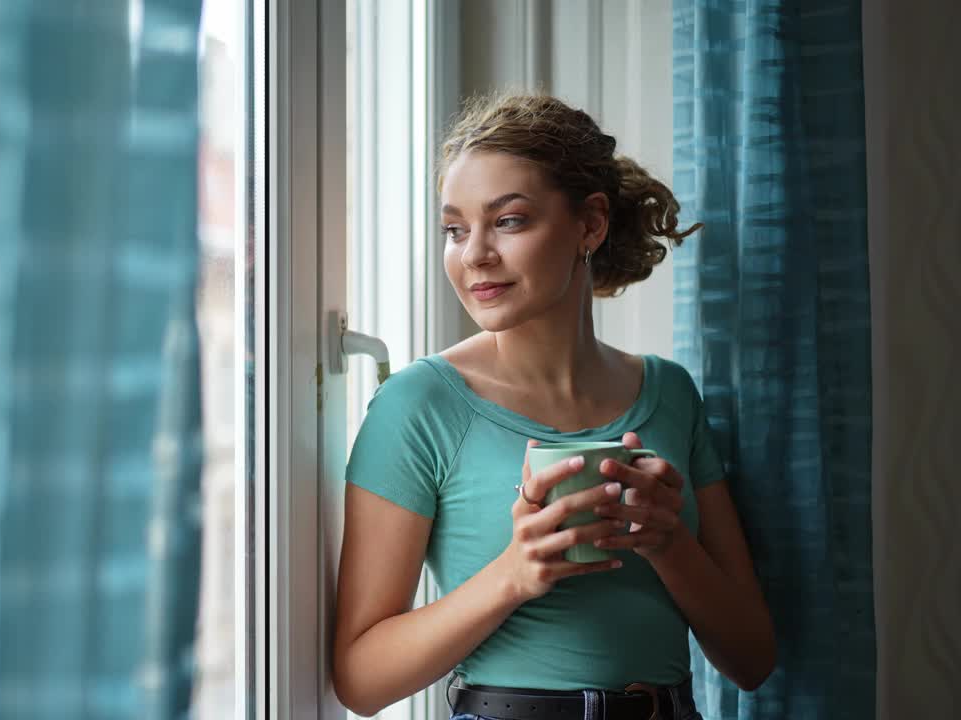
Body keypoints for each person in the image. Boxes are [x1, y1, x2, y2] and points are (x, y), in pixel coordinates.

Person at [331, 94, 776, 720]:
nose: (474, 254)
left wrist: (668, 540)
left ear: (590, 224)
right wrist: (515, 574)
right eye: (454, 229)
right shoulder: (418, 404)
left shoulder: (670, 394)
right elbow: (360, 678)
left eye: (508, 221)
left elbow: (752, 660)